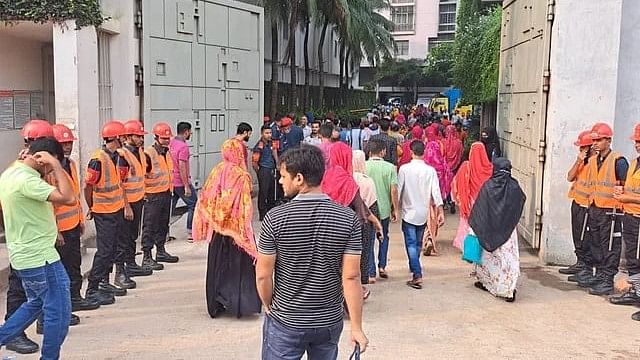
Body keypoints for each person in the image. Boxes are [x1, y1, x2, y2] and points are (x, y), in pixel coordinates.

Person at [256, 145, 368, 359]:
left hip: (286, 321)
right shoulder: (347, 219)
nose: (280, 181)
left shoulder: (275, 218)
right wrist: (356, 327)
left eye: (283, 176)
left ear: (299, 178)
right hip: (328, 322)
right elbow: (352, 277)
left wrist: (268, 304)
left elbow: (263, 275)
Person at [0, 137, 76, 359]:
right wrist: (55, 164)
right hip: (39, 257)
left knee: (35, 304)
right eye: (51, 166)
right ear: (43, 160)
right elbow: (68, 198)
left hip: (26, 255)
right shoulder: (28, 181)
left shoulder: (11, 173)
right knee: (58, 311)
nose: (51, 174)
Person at [192, 139, 261, 318]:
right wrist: (245, 231)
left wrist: (215, 219)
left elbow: (205, 197)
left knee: (218, 266)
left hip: (218, 230)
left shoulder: (216, 171)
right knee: (239, 269)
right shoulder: (241, 175)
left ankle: (216, 305)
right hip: (236, 230)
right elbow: (245, 206)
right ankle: (239, 306)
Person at [3, 120, 55, 354]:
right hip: (25, 240)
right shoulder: (20, 170)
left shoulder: (40, 167)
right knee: (19, 290)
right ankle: (14, 334)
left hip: (40, 239)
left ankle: (41, 322)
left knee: (40, 295)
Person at [49, 124, 100, 312]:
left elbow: (75, 197)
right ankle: (64, 305)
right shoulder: (49, 170)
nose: (67, 147)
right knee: (61, 270)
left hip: (72, 226)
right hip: (59, 230)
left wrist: (80, 220)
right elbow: (50, 204)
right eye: (63, 143)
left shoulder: (70, 164)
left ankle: (75, 298)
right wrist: (56, 230)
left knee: (74, 264)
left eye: (69, 142)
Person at [321, 143, 382, 299]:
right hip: (344, 230)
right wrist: (375, 222)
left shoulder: (323, 177)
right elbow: (360, 206)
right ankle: (349, 298)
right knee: (347, 268)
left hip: (322, 229)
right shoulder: (347, 180)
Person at [580, 123, 628, 295]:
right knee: (596, 244)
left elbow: (624, 187)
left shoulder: (618, 161)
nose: (595, 143)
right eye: (594, 140)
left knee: (610, 246)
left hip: (611, 212)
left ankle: (607, 279)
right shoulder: (593, 161)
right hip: (595, 209)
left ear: (608, 140)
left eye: (599, 140)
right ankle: (600, 274)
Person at [84, 121, 129, 303]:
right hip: (104, 212)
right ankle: (92, 287)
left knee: (112, 249)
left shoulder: (117, 156)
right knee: (104, 251)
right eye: (123, 137)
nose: (124, 141)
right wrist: (91, 207)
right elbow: (88, 186)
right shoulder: (98, 160)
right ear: (116, 138)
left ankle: (104, 281)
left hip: (115, 209)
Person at [469, 157, 525, 302]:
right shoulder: (514, 187)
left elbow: (479, 209)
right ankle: (508, 289)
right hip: (507, 231)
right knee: (507, 259)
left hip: (488, 229)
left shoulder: (488, 186)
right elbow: (520, 201)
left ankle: (486, 282)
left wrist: (475, 227)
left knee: (488, 258)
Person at [398, 141, 444, 289]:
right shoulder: (430, 171)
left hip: (408, 212)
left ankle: (417, 274)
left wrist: (395, 208)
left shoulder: (404, 169)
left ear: (411, 152)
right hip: (423, 212)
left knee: (411, 244)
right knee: (417, 243)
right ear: (423, 153)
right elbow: (436, 191)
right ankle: (414, 265)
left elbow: (399, 190)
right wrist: (440, 210)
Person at [116, 120, 154, 277]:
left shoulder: (140, 154)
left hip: (138, 200)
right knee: (124, 237)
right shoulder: (123, 156)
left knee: (133, 235)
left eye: (141, 136)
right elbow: (120, 183)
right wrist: (126, 206)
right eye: (137, 136)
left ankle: (131, 264)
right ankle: (122, 269)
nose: (141, 139)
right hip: (128, 203)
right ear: (128, 137)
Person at [611, 124, 640, 320]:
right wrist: (621, 193)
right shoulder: (634, 163)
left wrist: (627, 198)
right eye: (636, 141)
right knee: (632, 258)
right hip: (630, 216)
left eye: (639, 141)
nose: (637, 144)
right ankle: (636, 291)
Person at [142, 122, 179, 270]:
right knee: (150, 226)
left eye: (168, 138)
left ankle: (161, 250)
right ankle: (146, 256)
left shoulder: (166, 152)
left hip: (165, 193)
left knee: (163, 225)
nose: (167, 140)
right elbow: (141, 175)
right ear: (156, 137)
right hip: (152, 196)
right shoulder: (149, 154)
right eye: (164, 138)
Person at [561, 130, 594, 280]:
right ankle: (580, 262)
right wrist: (579, 160)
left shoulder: (596, 164)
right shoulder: (582, 163)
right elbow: (570, 177)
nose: (580, 150)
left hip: (588, 205)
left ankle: (586, 267)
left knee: (586, 237)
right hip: (577, 202)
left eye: (583, 148)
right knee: (577, 236)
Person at [366, 138, 399, 280]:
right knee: (383, 236)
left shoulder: (364, 166)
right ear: (383, 152)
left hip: (368, 210)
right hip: (384, 209)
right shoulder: (390, 168)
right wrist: (395, 208)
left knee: (369, 240)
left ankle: (371, 272)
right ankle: (382, 265)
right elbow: (393, 190)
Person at [451, 142, 493, 251]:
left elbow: (456, 183)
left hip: (469, 201)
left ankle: (466, 247)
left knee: (467, 224)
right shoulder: (490, 169)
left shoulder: (466, 167)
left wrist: (459, 199)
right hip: (484, 203)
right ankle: (484, 246)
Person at [353, 150, 380, 285]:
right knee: (365, 252)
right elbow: (373, 205)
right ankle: (362, 283)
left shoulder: (348, 179)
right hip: (366, 222)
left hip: (350, 222)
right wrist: (377, 223)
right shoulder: (367, 181)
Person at [423, 141, 453, 256]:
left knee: (426, 220)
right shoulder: (442, 164)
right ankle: (431, 238)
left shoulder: (425, 166)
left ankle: (427, 239)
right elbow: (449, 177)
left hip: (423, 198)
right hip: (437, 198)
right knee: (434, 219)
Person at [170, 122, 198, 240]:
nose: (191, 133)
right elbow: (182, 166)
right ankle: (191, 232)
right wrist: (186, 185)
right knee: (194, 204)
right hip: (181, 182)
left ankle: (164, 234)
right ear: (186, 132)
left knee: (170, 208)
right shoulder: (183, 147)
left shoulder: (171, 143)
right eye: (190, 131)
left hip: (171, 181)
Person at [252, 125, 279, 220]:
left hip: (272, 169)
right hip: (264, 170)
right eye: (266, 133)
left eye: (270, 133)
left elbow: (274, 152)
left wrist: (277, 163)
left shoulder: (272, 142)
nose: (269, 135)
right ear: (262, 133)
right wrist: (259, 172)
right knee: (263, 192)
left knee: (272, 192)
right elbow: (254, 162)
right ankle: (262, 214)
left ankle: (271, 213)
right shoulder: (259, 145)